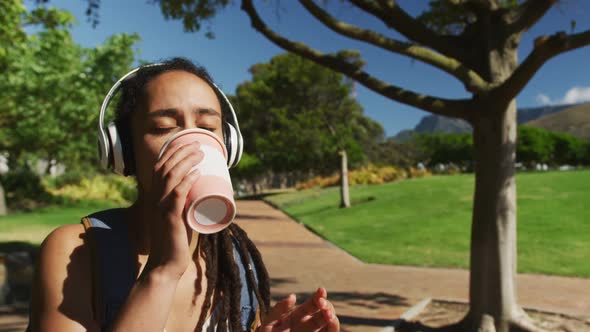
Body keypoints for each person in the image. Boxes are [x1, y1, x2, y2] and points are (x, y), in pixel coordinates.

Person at [28, 57, 340, 332]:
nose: (192, 143)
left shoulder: (236, 261)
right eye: (164, 127)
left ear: (228, 147)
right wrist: (162, 272)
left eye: (207, 127)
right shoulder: (74, 252)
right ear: (124, 152)